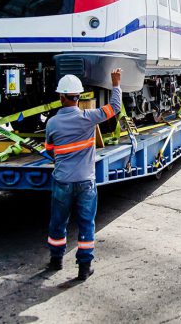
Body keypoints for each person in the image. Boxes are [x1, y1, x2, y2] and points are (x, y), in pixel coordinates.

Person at [45, 70, 122, 281]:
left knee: (58, 222)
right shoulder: (89, 118)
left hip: (62, 181)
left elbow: (49, 149)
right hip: (86, 182)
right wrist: (116, 84)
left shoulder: (52, 123)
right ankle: (84, 267)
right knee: (86, 223)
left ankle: (56, 260)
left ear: (61, 97)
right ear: (78, 97)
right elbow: (115, 108)